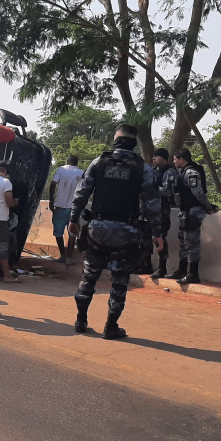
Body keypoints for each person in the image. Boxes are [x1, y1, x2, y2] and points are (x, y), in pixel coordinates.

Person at [68, 124, 163, 339]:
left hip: (98, 228)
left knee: (90, 273)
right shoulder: (142, 168)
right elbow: (152, 203)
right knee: (120, 279)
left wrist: (74, 219)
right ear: (133, 143)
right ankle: (110, 327)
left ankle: (80, 320)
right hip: (126, 231)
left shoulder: (98, 162)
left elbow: (81, 193)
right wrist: (158, 234)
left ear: (116, 140)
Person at [165, 148, 219, 284]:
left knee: (191, 243)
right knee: (183, 242)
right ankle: (182, 270)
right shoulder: (183, 172)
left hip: (193, 212)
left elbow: (198, 193)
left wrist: (209, 207)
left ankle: (193, 274)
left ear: (182, 160)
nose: (174, 161)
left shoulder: (191, 172)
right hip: (186, 211)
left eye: (175, 159)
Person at [48, 155, 84, 264]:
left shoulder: (61, 169)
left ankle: (62, 255)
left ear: (66, 161)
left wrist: (51, 199)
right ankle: (69, 258)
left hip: (60, 206)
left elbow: (53, 183)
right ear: (77, 162)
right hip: (75, 208)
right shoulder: (82, 173)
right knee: (72, 233)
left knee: (58, 233)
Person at [149, 148, 179, 279]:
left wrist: (152, 189)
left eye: (157, 156)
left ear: (164, 158)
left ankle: (162, 267)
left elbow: (168, 191)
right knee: (150, 237)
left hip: (162, 209)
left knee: (160, 237)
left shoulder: (170, 172)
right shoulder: (153, 171)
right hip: (150, 209)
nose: (154, 159)